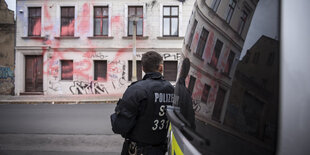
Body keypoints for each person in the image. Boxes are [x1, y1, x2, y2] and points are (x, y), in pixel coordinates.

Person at [111, 51, 174, 155]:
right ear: (161, 68)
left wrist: (114, 116)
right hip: (160, 150)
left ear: (143, 68)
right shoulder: (171, 90)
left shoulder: (136, 89)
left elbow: (119, 126)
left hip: (137, 150)